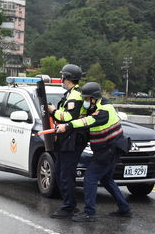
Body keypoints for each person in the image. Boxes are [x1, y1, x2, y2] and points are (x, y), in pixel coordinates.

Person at [56, 82, 131, 222]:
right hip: (109, 149)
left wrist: (67, 126)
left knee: (90, 178)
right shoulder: (97, 105)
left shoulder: (104, 110)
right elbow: (85, 117)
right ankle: (124, 208)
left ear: (94, 98)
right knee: (107, 179)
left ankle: (89, 213)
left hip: (109, 150)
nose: (84, 102)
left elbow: (88, 121)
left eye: (86, 99)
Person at [47, 64, 88, 219]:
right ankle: (68, 204)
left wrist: (53, 111)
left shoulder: (75, 96)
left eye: (63, 76)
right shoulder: (70, 94)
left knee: (66, 173)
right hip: (67, 138)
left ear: (68, 78)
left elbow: (69, 118)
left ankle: (69, 206)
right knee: (60, 171)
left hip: (73, 138)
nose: (61, 79)